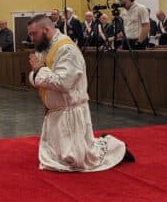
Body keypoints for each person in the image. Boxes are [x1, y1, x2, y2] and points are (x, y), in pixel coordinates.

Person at [27, 14, 134, 172]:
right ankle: (101, 143)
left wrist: (39, 70)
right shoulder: (45, 48)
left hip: (70, 111)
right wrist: (37, 72)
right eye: (30, 34)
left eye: (33, 34)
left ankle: (115, 147)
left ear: (46, 29)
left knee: (78, 161)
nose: (31, 38)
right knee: (57, 158)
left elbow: (63, 83)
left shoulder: (66, 49)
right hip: (56, 112)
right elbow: (37, 76)